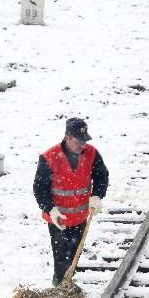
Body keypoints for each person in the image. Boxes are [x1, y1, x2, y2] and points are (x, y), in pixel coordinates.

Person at [33, 117, 108, 285]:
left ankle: (66, 284)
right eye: (78, 140)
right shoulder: (49, 157)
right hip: (58, 218)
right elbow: (40, 189)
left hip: (81, 216)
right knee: (61, 255)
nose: (83, 144)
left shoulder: (92, 153)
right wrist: (50, 210)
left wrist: (97, 195)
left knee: (74, 254)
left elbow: (102, 175)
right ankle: (61, 287)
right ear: (67, 137)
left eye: (85, 140)